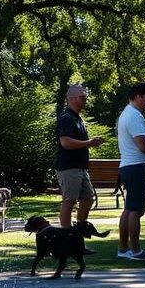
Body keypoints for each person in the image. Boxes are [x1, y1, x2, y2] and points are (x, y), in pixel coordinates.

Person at [116, 82, 145, 260]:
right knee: (136, 210)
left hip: (128, 166)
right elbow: (143, 146)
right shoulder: (134, 116)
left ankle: (123, 248)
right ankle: (135, 250)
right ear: (137, 96)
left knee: (129, 209)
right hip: (136, 167)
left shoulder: (126, 114)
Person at [55, 83, 103, 229]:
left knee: (88, 197)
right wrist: (89, 142)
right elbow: (65, 143)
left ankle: (79, 231)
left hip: (80, 167)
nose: (85, 100)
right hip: (69, 167)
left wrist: (90, 143)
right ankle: (66, 236)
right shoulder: (66, 118)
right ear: (73, 98)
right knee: (69, 201)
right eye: (83, 97)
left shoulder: (78, 118)